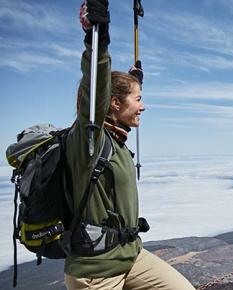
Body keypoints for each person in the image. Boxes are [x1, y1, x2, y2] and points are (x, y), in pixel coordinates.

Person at [63, 1, 195, 289]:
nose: (144, 107)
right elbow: (95, 86)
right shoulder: (90, 139)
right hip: (95, 271)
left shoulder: (116, 140)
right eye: (138, 101)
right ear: (113, 103)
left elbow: (114, 95)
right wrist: (98, 35)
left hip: (130, 256)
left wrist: (134, 83)